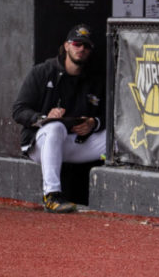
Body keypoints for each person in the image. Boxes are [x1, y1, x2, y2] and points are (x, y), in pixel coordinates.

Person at [11, 24, 106, 213]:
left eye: (86, 46)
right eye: (77, 44)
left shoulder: (94, 78)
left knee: (117, 142)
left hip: (75, 142)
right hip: (40, 144)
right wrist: (44, 118)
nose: (81, 49)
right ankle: (52, 195)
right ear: (67, 45)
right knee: (56, 128)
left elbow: (109, 115)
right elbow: (18, 110)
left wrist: (93, 124)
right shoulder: (43, 71)